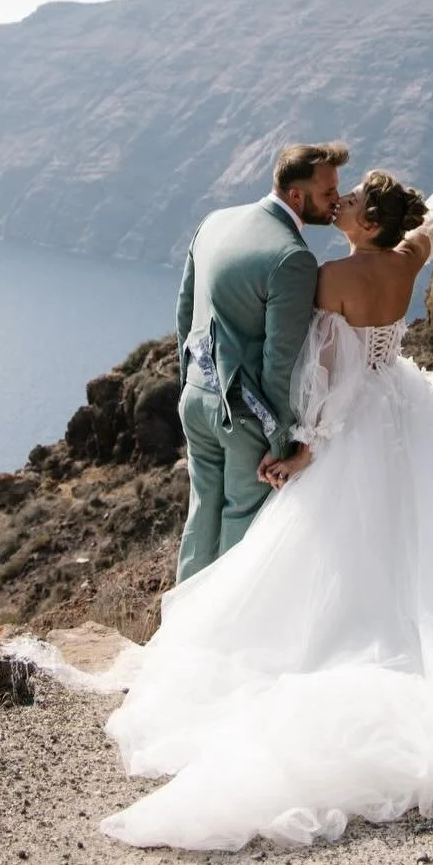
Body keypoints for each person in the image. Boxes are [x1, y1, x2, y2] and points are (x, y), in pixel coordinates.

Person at [29, 131, 433, 852]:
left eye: (351, 201)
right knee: (426, 536)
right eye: (339, 194)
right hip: (407, 412)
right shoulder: (408, 257)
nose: (341, 204)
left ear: (369, 223)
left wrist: (301, 447)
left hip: (355, 425)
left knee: (328, 547)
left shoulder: (333, 278)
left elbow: (320, 377)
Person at [173, 141, 348, 582]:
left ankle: (183, 618)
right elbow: (279, 362)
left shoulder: (214, 221)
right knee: (242, 522)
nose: (337, 200)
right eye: (328, 192)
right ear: (297, 196)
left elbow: (184, 313)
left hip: (195, 398)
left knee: (201, 511)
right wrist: (281, 439)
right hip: (245, 417)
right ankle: (225, 623)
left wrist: (188, 384)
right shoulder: (293, 258)